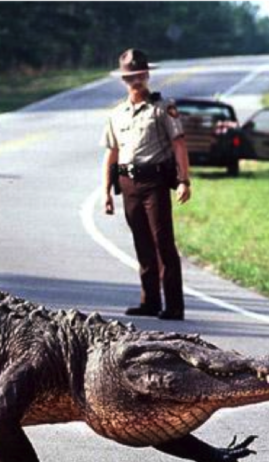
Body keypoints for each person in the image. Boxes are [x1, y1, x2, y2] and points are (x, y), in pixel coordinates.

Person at [101, 49, 191, 321]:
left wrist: (184, 180)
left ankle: (173, 305)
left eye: (139, 75)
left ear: (147, 75)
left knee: (163, 242)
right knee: (142, 243)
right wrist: (106, 190)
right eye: (130, 77)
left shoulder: (162, 108)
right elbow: (111, 153)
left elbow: (179, 145)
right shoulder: (117, 114)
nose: (135, 81)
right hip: (128, 182)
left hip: (155, 182)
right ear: (123, 80)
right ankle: (149, 301)